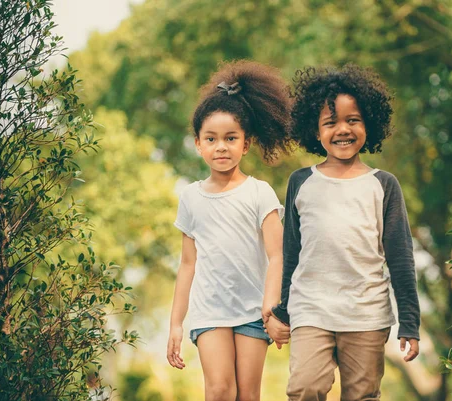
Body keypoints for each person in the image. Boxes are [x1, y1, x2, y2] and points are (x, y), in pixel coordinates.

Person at [268, 64, 421, 401]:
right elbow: (292, 251)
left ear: (369, 124)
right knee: (305, 388)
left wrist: (409, 321)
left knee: (362, 395)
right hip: (311, 309)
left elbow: (400, 257)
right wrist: (283, 309)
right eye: (330, 122)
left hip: (366, 314)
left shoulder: (383, 185)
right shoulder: (301, 182)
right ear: (315, 130)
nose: (343, 130)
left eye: (353, 120)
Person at [167, 60, 291, 401]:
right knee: (220, 390)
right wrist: (176, 323)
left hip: (255, 311)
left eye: (230, 138)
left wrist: (272, 305)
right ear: (198, 144)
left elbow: (277, 254)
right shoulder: (190, 197)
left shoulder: (260, 192)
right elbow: (187, 265)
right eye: (212, 138)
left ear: (246, 144)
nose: (221, 146)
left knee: (248, 395)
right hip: (210, 310)